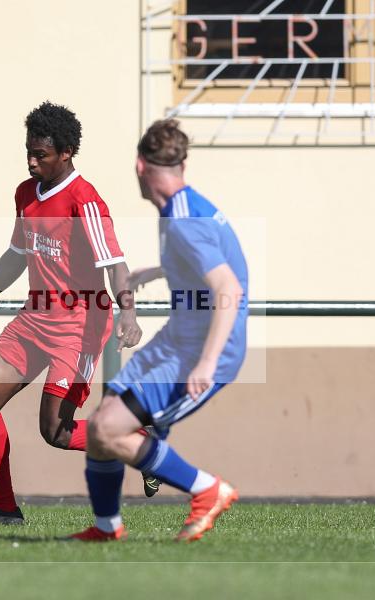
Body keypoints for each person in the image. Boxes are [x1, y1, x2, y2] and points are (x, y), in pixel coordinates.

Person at [0, 101, 142, 525]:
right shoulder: (24, 194)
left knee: (55, 432)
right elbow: (17, 256)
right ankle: (3, 509)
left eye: (42, 155)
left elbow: (115, 264)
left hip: (79, 328)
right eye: (28, 152)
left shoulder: (84, 200)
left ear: (67, 152)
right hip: (34, 320)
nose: (32, 161)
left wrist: (128, 314)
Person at [70, 119, 248, 542]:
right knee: (101, 427)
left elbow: (229, 287)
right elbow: (207, 263)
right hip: (177, 340)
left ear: (139, 166)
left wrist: (206, 363)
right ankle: (107, 528)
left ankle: (208, 489)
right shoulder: (183, 209)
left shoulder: (184, 222)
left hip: (201, 351)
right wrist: (157, 270)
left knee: (107, 430)